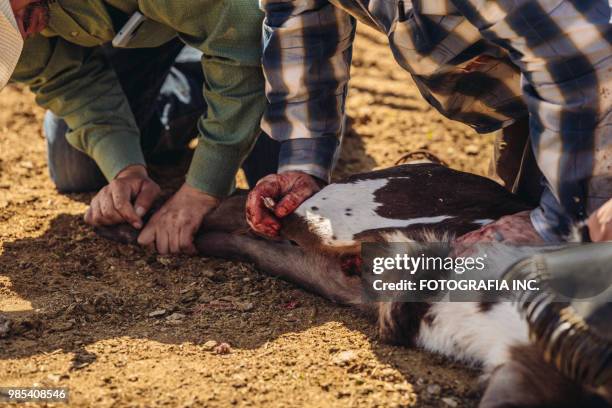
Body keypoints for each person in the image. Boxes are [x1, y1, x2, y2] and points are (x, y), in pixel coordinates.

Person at [248, 0, 612, 243]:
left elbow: (589, 67)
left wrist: (558, 224)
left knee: (576, 264)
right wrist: (303, 162)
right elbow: (302, 27)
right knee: (504, 241)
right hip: (537, 94)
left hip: (598, 91)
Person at [0, 0, 279, 254]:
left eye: (14, 23)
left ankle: (212, 65)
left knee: (277, 187)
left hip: (243, 19)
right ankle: (194, 80)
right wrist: (127, 170)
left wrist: (203, 188)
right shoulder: (18, 17)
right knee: (79, 165)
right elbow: (66, 81)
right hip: (135, 30)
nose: (22, 37)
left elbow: (241, 40)